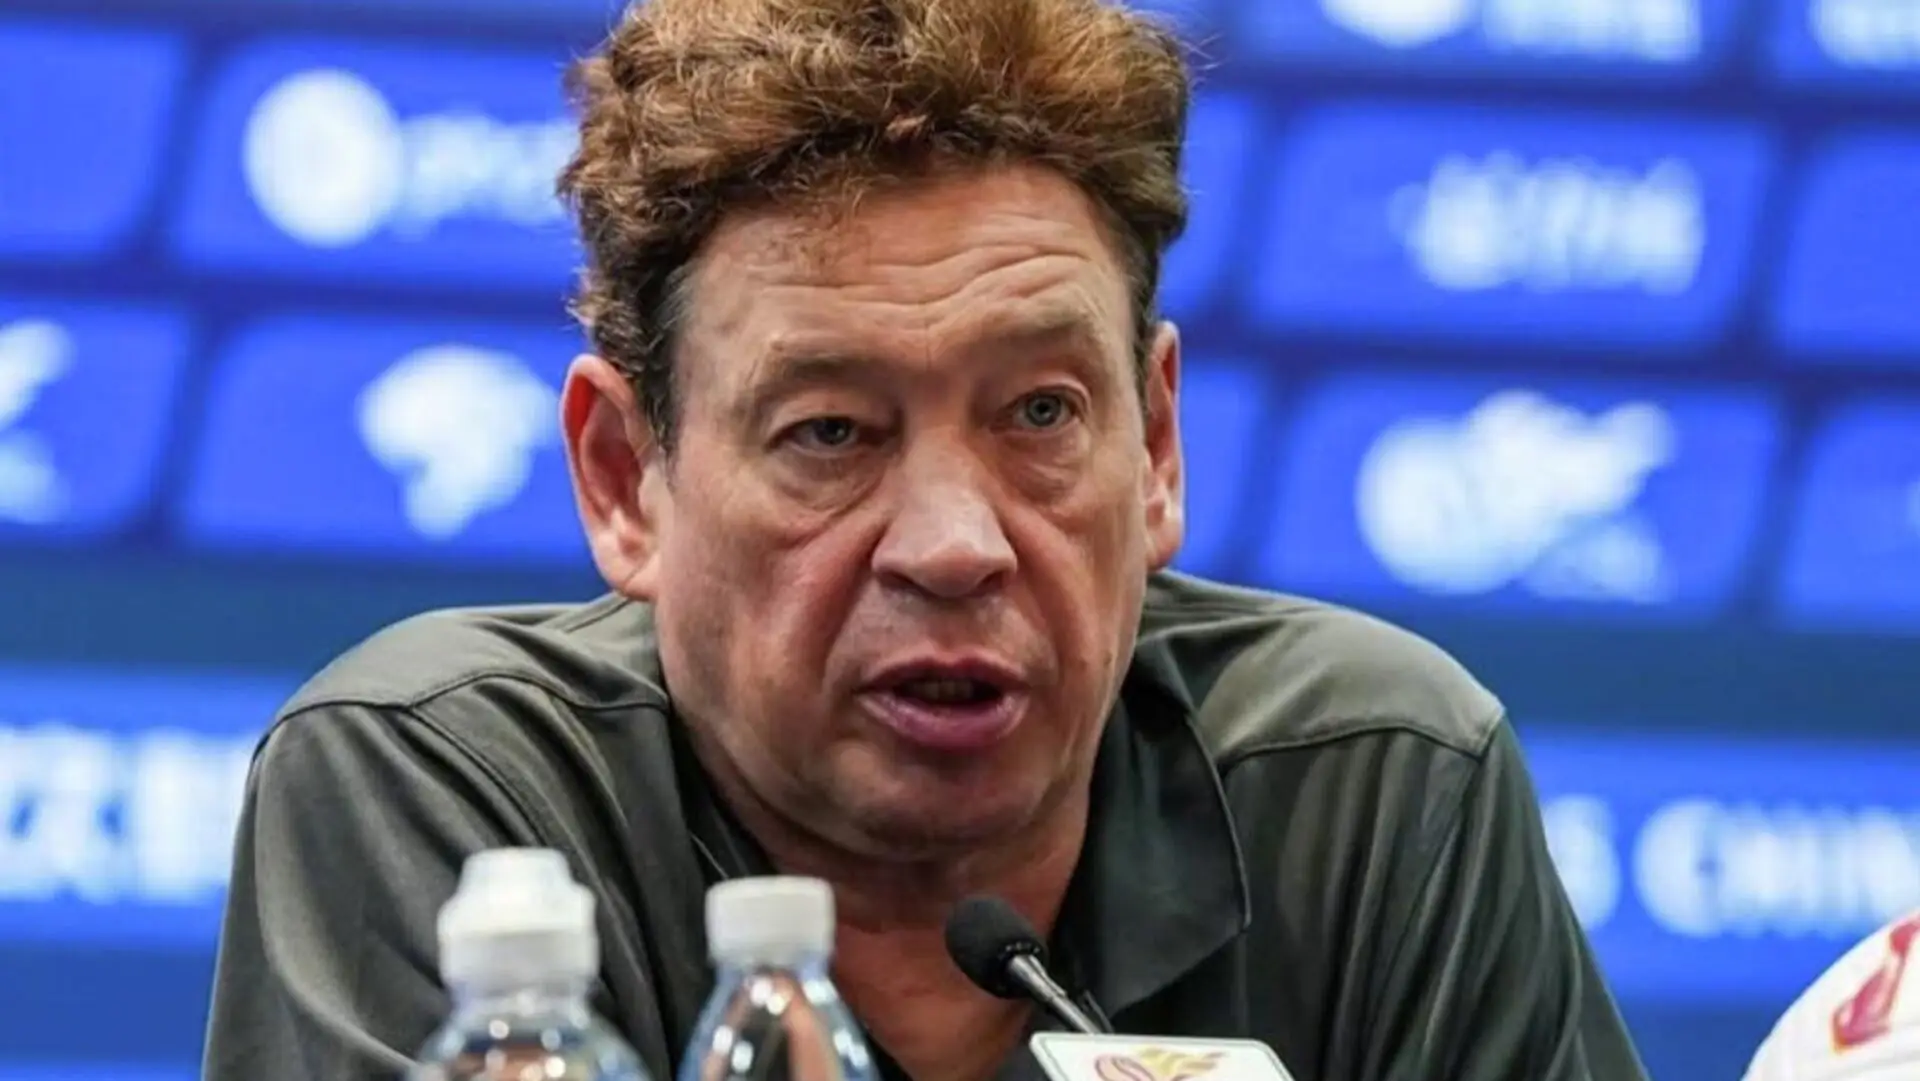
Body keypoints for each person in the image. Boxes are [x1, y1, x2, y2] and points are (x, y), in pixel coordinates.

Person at [201, 1, 1650, 1079]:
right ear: (625, 479)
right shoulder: (449, 795)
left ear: (1155, 445)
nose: (957, 547)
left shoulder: (1374, 788)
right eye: (831, 431)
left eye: (1040, 412)